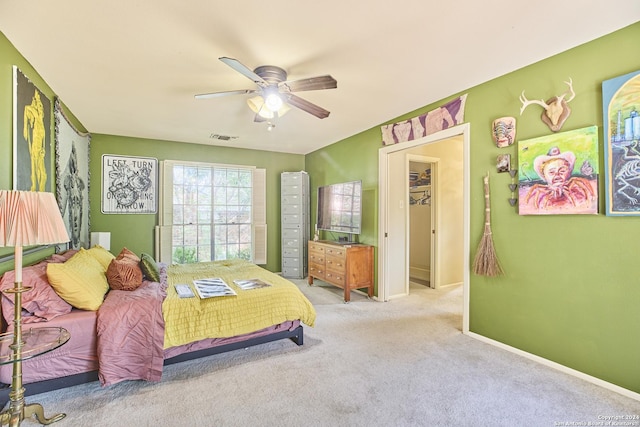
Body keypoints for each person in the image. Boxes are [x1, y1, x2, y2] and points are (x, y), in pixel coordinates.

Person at [524, 147, 595, 210]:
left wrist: (589, 194)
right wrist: (534, 204)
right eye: (552, 172)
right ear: (544, 175)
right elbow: (536, 189)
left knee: (576, 180)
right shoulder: (543, 191)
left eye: (562, 171)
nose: (557, 174)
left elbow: (582, 182)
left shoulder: (571, 183)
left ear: (568, 172)